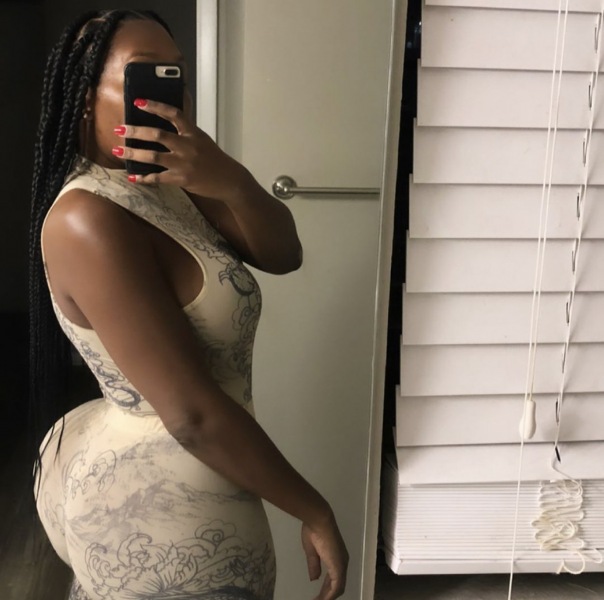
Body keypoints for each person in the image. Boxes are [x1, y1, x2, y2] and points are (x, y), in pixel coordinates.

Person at [28, 9, 348, 600]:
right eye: (145, 76)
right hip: (160, 514)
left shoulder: (169, 183)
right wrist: (315, 509)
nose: (169, 97)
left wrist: (228, 177)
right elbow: (190, 414)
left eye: (174, 76)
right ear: (83, 101)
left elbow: (284, 254)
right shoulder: (87, 219)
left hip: (212, 478)